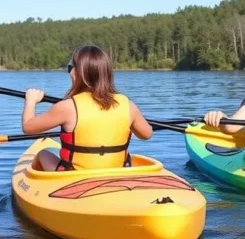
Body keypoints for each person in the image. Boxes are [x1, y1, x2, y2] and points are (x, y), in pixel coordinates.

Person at [21, 45, 154, 171]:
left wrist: (31, 101)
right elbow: (146, 134)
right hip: (115, 173)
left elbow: (28, 127)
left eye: (70, 67)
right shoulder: (128, 105)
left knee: (43, 153)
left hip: (74, 176)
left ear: (75, 73)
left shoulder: (67, 107)